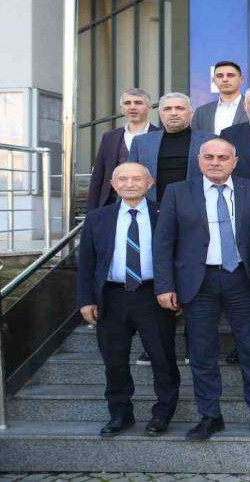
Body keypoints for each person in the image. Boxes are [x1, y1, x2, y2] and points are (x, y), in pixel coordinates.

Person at [153, 138, 250, 441]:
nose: (215, 162)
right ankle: (210, 416)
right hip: (197, 281)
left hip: (242, 279)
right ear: (199, 160)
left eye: (222, 157)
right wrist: (165, 285)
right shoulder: (177, 191)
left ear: (234, 161)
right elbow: (163, 242)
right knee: (202, 352)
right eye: (209, 157)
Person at [77, 162, 179, 437]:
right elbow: (86, 263)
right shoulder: (97, 218)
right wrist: (86, 300)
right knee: (115, 360)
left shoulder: (165, 213)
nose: (130, 184)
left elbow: (179, 255)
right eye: (123, 179)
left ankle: (162, 414)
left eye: (137, 179)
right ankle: (120, 414)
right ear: (113, 184)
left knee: (162, 358)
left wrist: (174, 290)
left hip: (153, 295)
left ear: (150, 183)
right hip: (112, 297)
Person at [128, 92, 216, 203]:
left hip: (197, 206)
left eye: (179, 108)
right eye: (167, 109)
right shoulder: (141, 142)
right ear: (160, 114)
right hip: (153, 207)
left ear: (191, 113)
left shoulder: (210, 140)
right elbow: (128, 175)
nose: (173, 113)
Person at [87, 88, 159, 210]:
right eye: (127, 103)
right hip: (112, 203)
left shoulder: (160, 135)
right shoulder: (110, 137)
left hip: (152, 203)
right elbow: (98, 175)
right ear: (122, 109)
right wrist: (91, 211)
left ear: (149, 107)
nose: (132, 107)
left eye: (138, 103)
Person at [191, 60, 248, 134]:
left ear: (241, 80)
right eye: (220, 76)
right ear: (214, 80)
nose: (225, 79)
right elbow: (196, 138)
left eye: (230, 75)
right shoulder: (201, 112)